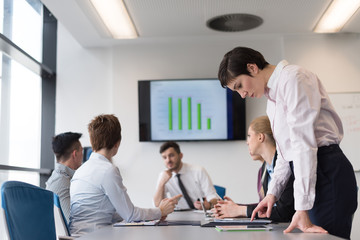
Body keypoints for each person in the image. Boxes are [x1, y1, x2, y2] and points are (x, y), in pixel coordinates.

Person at [217, 46, 358, 239]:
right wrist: (272, 194)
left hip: (327, 171)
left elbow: (303, 145)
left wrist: (301, 207)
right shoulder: (271, 100)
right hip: (311, 171)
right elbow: (285, 153)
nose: (241, 94)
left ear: (252, 68)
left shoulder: (294, 78)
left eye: (239, 85)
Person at [70, 114, 181, 236]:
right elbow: (131, 215)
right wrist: (160, 211)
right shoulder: (107, 170)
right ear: (117, 143)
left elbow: (114, 213)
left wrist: (154, 214)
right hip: (96, 236)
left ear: (92, 141)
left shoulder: (80, 170)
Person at [212, 116, 295, 222]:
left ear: (260, 137)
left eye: (249, 136)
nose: (247, 142)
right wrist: (234, 208)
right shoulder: (266, 168)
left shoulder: (286, 166)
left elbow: (284, 211)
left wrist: (240, 210)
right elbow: (267, 208)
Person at [154, 141, 218, 210]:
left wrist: (208, 204)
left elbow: (212, 196)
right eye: (164, 157)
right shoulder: (163, 176)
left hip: (200, 212)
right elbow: (158, 205)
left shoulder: (198, 171)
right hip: (179, 215)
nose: (168, 160)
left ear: (180, 155)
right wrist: (161, 183)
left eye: (171, 155)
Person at [46, 132, 83, 223]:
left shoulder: (58, 177)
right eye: (82, 151)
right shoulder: (62, 182)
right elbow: (71, 225)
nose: (83, 155)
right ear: (75, 154)